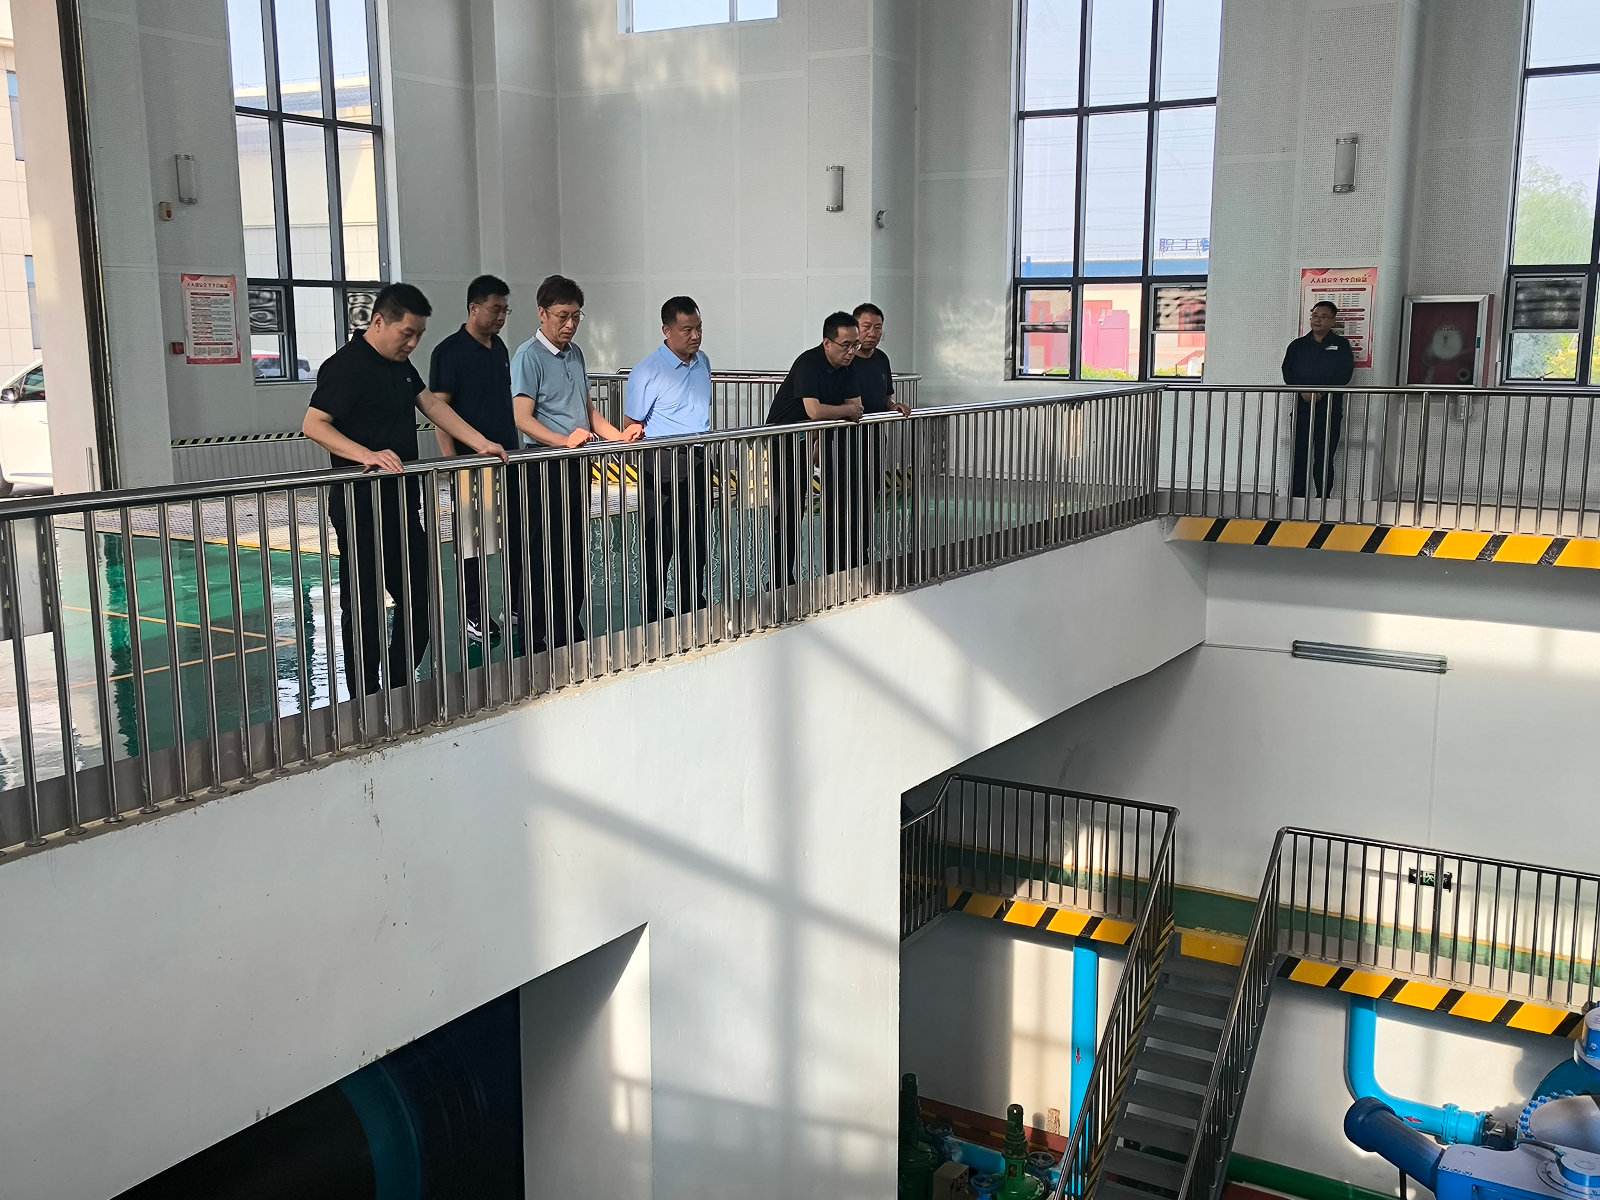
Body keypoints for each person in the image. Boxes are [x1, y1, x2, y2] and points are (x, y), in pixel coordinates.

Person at [303, 282, 509, 698]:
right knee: (363, 608)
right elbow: (314, 425)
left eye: (419, 335)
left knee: (421, 599)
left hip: (402, 505)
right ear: (379, 322)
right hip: (360, 509)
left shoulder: (400, 365)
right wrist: (366, 455)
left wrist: (480, 442)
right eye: (407, 334)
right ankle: (365, 695)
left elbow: (432, 405)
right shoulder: (345, 367)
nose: (413, 343)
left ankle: (398, 684)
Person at [511, 274, 640, 651]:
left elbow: (588, 411)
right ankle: (537, 636)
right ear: (542, 314)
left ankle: (570, 627)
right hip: (543, 464)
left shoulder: (576, 353)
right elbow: (523, 418)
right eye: (562, 316)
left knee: (574, 547)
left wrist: (619, 437)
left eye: (576, 316)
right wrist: (562, 441)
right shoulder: (527, 357)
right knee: (543, 552)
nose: (570, 324)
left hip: (576, 462)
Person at [429, 275, 519, 644]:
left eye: (505, 310)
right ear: (473, 308)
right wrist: (452, 463)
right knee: (473, 542)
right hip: (469, 464)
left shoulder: (500, 348)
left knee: (516, 533)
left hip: (507, 458)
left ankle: (516, 605)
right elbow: (440, 413)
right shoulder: (448, 352)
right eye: (495, 309)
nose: (501, 317)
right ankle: (473, 614)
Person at [623, 296, 714, 621]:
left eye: (699, 328)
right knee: (659, 539)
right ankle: (653, 609)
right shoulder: (647, 371)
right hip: (661, 461)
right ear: (667, 330)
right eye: (687, 330)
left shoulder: (702, 361)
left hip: (699, 457)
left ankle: (692, 602)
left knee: (697, 535)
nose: (695, 336)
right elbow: (632, 424)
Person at [766, 311, 865, 586]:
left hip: (808, 439)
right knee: (788, 510)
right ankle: (778, 578)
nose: (851, 352)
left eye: (854, 345)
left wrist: (837, 420)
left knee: (801, 507)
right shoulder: (808, 363)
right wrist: (845, 411)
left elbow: (857, 407)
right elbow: (815, 410)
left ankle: (822, 572)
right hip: (783, 441)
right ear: (827, 343)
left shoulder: (848, 368)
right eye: (845, 345)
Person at [1282, 299, 1355, 499]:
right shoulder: (1297, 346)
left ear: (1333, 321)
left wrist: (1321, 392)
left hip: (1329, 409)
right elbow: (1288, 371)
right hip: (1302, 407)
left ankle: (1323, 498)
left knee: (1324, 456)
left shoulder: (1341, 345)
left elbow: (1344, 374)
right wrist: (1303, 391)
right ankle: (1297, 498)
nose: (1317, 320)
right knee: (1300, 455)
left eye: (1323, 317)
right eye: (1315, 315)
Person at [851, 303, 911, 417]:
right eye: (866, 327)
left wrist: (893, 406)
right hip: (851, 426)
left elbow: (887, 397)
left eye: (877, 328)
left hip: (876, 426)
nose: (872, 334)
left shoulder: (882, 358)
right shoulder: (845, 359)